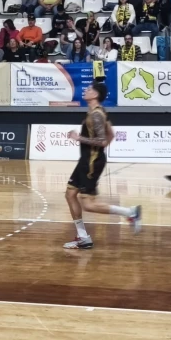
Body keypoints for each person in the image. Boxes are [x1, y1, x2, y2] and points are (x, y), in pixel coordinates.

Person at [62, 82, 141, 250]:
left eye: (90, 89)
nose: (86, 90)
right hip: (87, 159)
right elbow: (111, 134)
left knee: (89, 204)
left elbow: (102, 140)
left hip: (91, 161)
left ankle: (130, 213)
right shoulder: (98, 112)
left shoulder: (96, 115)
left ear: (95, 95)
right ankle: (83, 237)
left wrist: (78, 138)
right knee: (70, 194)